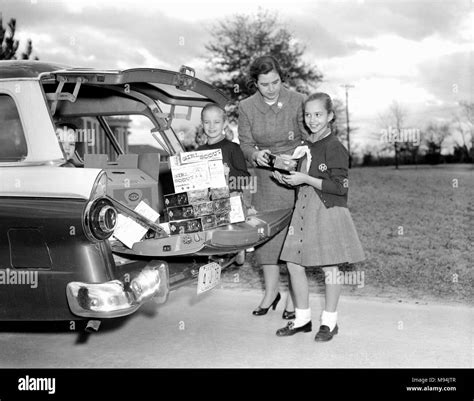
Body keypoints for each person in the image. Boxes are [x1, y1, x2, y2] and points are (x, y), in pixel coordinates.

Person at [273, 92, 365, 341]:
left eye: (318, 114)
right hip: (303, 209)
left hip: (326, 209)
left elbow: (340, 187)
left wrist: (305, 179)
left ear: (330, 116)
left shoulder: (335, 147)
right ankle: (302, 319)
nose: (312, 120)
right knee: (293, 264)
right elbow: (302, 179)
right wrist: (288, 179)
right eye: (308, 115)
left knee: (330, 266)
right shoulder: (305, 146)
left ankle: (329, 322)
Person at [238, 55, 307, 318]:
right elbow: (244, 143)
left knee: (293, 237)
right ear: (255, 83)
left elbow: (309, 136)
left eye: (275, 82)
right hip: (264, 179)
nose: (271, 88)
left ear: (282, 78)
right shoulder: (246, 106)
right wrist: (256, 156)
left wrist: (297, 156)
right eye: (264, 84)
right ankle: (271, 292)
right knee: (265, 236)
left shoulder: (298, 100)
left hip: (293, 177)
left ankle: (293, 296)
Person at [197, 103, 251, 195]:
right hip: (208, 204)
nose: (211, 126)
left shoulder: (233, 148)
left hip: (232, 202)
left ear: (224, 123)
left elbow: (246, 179)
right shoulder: (199, 152)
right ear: (202, 124)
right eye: (207, 122)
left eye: (216, 122)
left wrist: (228, 173)